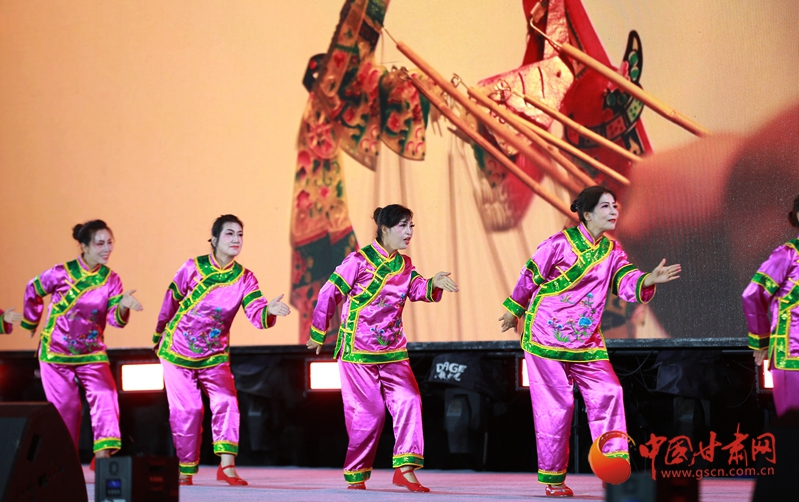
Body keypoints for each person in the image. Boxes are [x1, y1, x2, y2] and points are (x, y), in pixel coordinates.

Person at [499, 186, 681, 497]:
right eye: (606, 206)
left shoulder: (612, 251)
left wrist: (648, 279)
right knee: (557, 406)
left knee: (609, 391)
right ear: (587, 214)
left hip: (586, 341)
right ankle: (554, 479)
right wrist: (513, 308)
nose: (614, 211)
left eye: (615, 206)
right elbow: (530, 274)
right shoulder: (559, 243)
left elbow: (626, 280)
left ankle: (611, 466)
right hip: (546, 335)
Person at [306, 204, 459, 492]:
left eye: (411, 226)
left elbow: (417, 289)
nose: (409, 232)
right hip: (357, 351)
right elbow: (330, 292)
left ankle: (405, 469)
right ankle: (357, 472)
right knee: (370, 412)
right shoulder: (358, 261)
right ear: (385, 229)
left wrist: (433, 283)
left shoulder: (405, 265)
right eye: (403, 226)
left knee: (409, 399)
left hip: (392, 350)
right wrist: (318, 331)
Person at [153, 214, 290, 486]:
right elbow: (171, 301)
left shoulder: (245, 278)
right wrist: (158, 335)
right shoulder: (192, 268)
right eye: (229, 233)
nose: (236, 239)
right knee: (189, 410)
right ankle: (185, 470)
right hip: (178, 350)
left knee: (227, 401)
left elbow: (256, 314)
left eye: (240, 234)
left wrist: (269, 311)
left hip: (214, 355)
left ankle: (227, 467)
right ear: (214, 240)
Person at [20, 220, 143, 463]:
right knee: (67, 407)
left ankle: (103, 457)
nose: (107, 248)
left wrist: (122, 306)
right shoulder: (61, 273)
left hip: (91, 352)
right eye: (100, 243)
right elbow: (33, 289)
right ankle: (65, 463)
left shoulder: (111, 279)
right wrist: (30, 321)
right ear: (84, 247)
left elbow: (115, 320)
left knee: (105, 394)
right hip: (56, 352)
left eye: (109, 243)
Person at [743, 195, 799, 417]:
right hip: (792, 359)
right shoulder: (788, 255)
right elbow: (752, 293)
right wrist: (761, 341)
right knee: (794, 427)